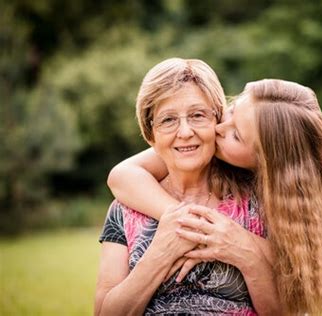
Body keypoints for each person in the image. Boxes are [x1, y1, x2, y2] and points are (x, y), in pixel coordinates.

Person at [108, 78, 322, 315]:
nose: (219, 128)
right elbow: (121, 176)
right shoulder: (196, 143)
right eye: (232, 110)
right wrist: (190, 222)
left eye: (236, 136)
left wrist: (242, 245)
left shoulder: (309, 187)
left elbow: (299, 271)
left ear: (267, 163)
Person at [94, 58, 279, 316]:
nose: (184, 132)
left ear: (217, 120)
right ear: (151, 135)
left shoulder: (257, 201)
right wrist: (159, 255)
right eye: (168, 120)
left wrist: (246, 254)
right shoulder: (124, 209)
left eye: (198, 115)